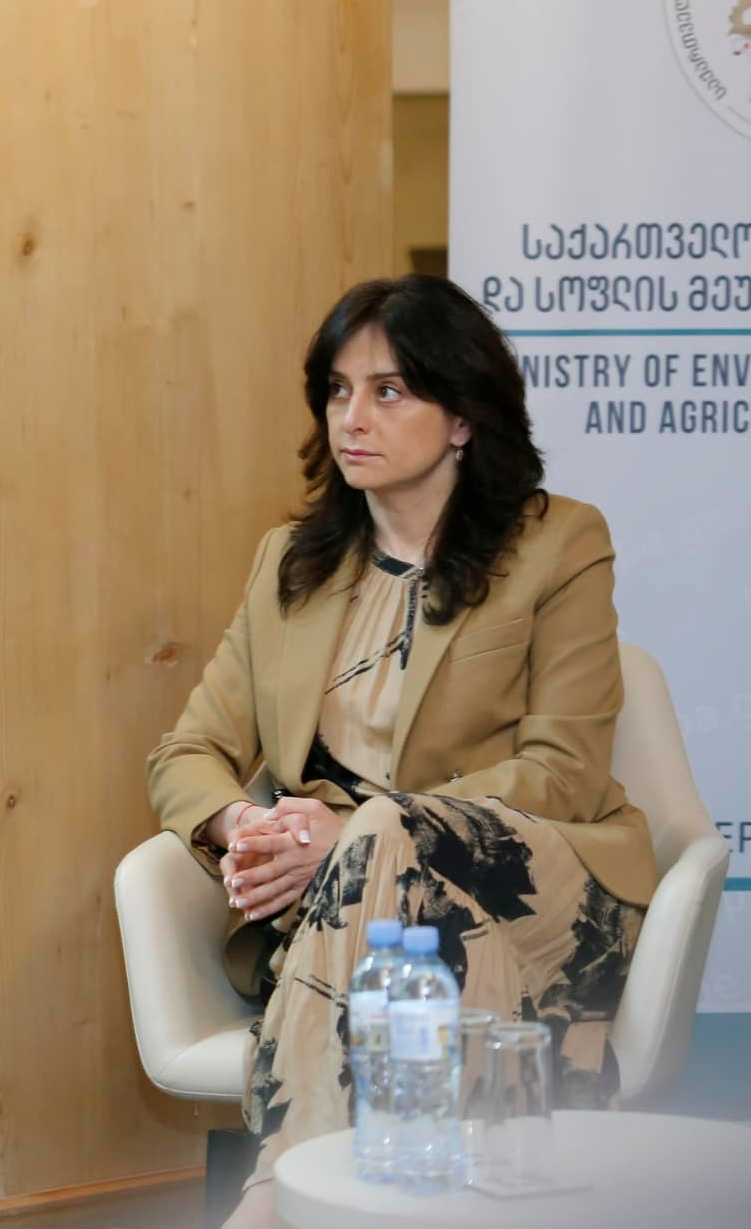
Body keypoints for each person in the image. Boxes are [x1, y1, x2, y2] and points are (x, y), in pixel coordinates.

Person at [145, 275, 654, 1228]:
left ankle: (274, 1194)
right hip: (355, 926)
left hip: (531, 892)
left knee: (382, 830)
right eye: (338, 390)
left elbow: (565, 772)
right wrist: (249, 824)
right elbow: (187, 752)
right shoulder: (290, 564)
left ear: (462, 417)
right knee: (376, 865)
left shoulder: (559, 543)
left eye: (389, 391)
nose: (353, 417)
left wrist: (351, 830)